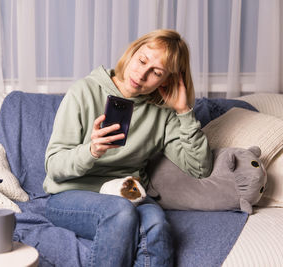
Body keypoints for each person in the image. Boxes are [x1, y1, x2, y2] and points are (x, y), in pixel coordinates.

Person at [43, 29, 213, 267]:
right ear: (132, 52)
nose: (142, 74)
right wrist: (91, 151)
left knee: (156, 224)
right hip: (70, 195)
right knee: (120, 212)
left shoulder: (163, 113)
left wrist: (183, 112)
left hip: (127, 193)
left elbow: (200, 167)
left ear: (168, 80)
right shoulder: (84, 91)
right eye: (142, 60)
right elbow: (53, 167)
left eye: (157, 72)